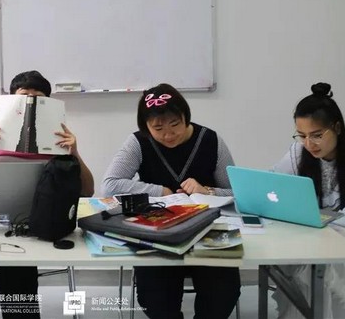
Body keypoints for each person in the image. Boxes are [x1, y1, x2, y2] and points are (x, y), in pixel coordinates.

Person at [101, 83, 240, 319]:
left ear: (186, 116)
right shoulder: (139, 142)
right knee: (155, 297)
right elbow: (110, 185)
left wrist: (208, 191)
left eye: (175, 124)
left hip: (208, 230)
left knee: (223, 291)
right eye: (158, 128)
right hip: (155, 232)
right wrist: (160, 191)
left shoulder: (210, 140)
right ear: (146, 126)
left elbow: (237, 192)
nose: (168, 134)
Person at [0, 70, 95, 318]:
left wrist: (74, 153)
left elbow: (88, 191)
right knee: (14, 260)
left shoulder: (58, 145)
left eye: (38, 98)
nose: (30, 103)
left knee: (16, 262)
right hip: (4, 223)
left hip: (49, 221)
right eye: (24, 96)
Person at [272, 82, 345, 318]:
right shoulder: (298, 152)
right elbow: (272, 185)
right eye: (302, 136)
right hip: (310, 236)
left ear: (337, 128)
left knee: (335, 273)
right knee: (281, 260)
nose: (308, 144)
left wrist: (307, 222)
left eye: (317, 135)